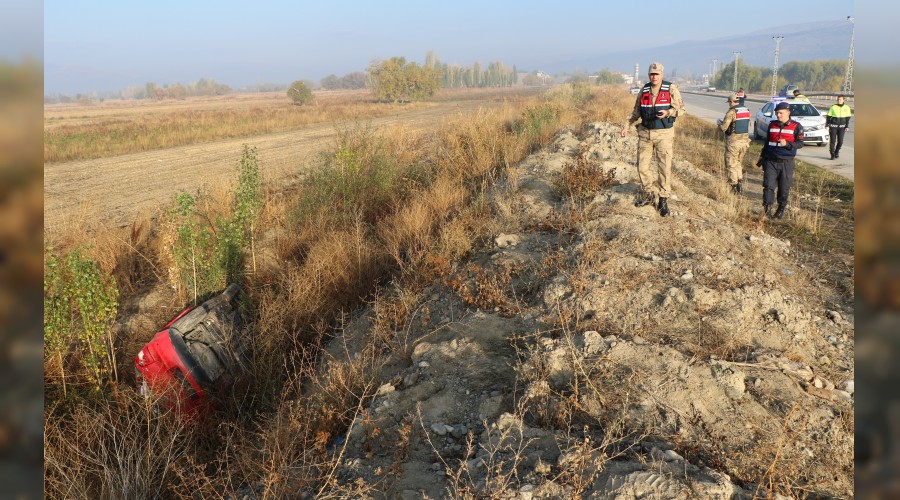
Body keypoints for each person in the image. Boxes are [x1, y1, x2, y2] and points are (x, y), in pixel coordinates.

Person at [620, 61, 685, 217]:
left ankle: (663, 200)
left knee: (664, 167)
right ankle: (648, 195)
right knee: (642, 166)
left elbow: (681, 109)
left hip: (664, 134)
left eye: (657, 74)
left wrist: (669, 112)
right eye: (652, 74)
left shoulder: (671, 89)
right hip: (645, 134)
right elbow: (636, 112)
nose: (654, 76)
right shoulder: (644, 90)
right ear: (649, 75)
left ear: (662, 74)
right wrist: (626, 126)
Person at [755, 101, 804, 219]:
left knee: (783, 188)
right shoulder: (772, 125)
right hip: (770, 161)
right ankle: (767, 209)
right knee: (768, 186)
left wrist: (787, 144)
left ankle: (780, 209)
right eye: (777, 113)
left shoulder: (796, 126)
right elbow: (767, 143)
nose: (778, 115)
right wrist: (762, 157)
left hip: (786, 162)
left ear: (788, 113)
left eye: (781, 113)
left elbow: (800, 143)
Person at [717, 93, 751, 193]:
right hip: (745, 142)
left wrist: (719, 125)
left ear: (732, 102)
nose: (729, 104)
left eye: (729, 102)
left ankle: (733, 186)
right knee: (738, 162)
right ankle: (739, 181)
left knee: (731, 163)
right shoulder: (746, 110)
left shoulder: (732, 112)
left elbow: (724, 128)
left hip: (734, 142)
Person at [827, 94, 852, 160]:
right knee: (833, 141)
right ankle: (832, 154)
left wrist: (847, 126)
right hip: (833, 126)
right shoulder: (833, 107)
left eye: (840, 99)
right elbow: (828, 117)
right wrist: (827, 125)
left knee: (840, 141)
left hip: (842, 127)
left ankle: (836, 152)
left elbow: (847, 118)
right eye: (838, 99)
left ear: (843, 100)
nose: (839, 101)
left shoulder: (847, 107)